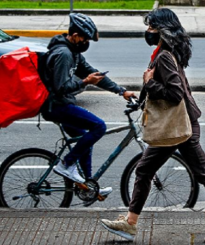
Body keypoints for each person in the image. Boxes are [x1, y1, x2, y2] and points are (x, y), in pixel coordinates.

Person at [100, 8, 205, 244]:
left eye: (152, 27)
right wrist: (143, 97)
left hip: (179, 128)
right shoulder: (166, 51)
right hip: (178, 126)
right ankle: (130, 223)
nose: (148, 31)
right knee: (146, 170)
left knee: (203, 174)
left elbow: (175, 94)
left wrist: (149, 84)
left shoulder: (164, 56)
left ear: (163, 30)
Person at [40, 13, 135, 198]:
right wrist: (85, 82)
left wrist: (121, 91)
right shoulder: (64, 54)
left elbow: (93, 74)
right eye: (84, 37)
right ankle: (66, 164)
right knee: (99, 127)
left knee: (85, 139)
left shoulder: (73, 52)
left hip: (62, 104)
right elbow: (60, 87)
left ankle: (87, 187)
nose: (86, 42)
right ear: (74, 35)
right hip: (57, 106)